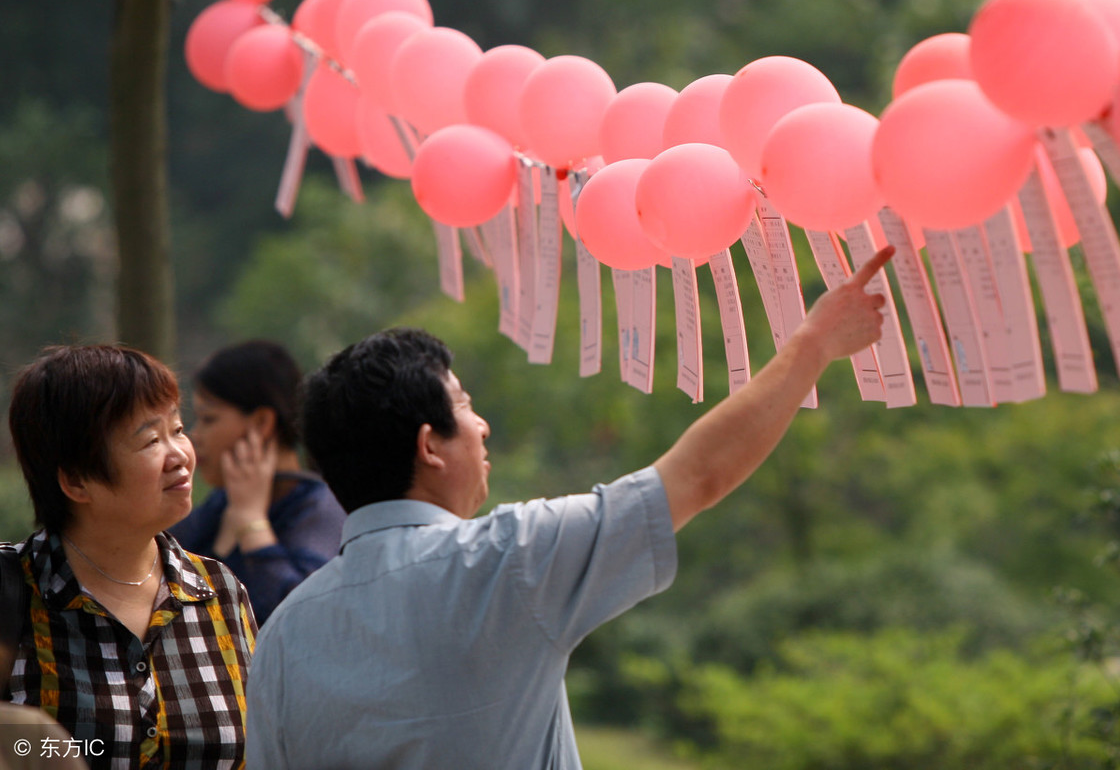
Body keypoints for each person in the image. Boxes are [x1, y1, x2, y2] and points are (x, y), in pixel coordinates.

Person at [245, 247, 896, 770]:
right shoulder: (507, 561)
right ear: (429, 446)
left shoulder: (280, 637)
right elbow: (697, 476)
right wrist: (813, 344)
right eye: (466, 406)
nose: (483, 427)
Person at [4, 344, 257, 769]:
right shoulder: (12, 590)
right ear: (76, 481)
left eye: (177, 429)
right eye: (151, 440)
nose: (180, 455)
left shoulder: (219, 592)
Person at [170, 340, 346, 624]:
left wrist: (251, 520)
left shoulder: (321, 508)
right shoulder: (218, 504)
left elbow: (305, 620)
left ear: (261, 422)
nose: (195, 436)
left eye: (208, 419)